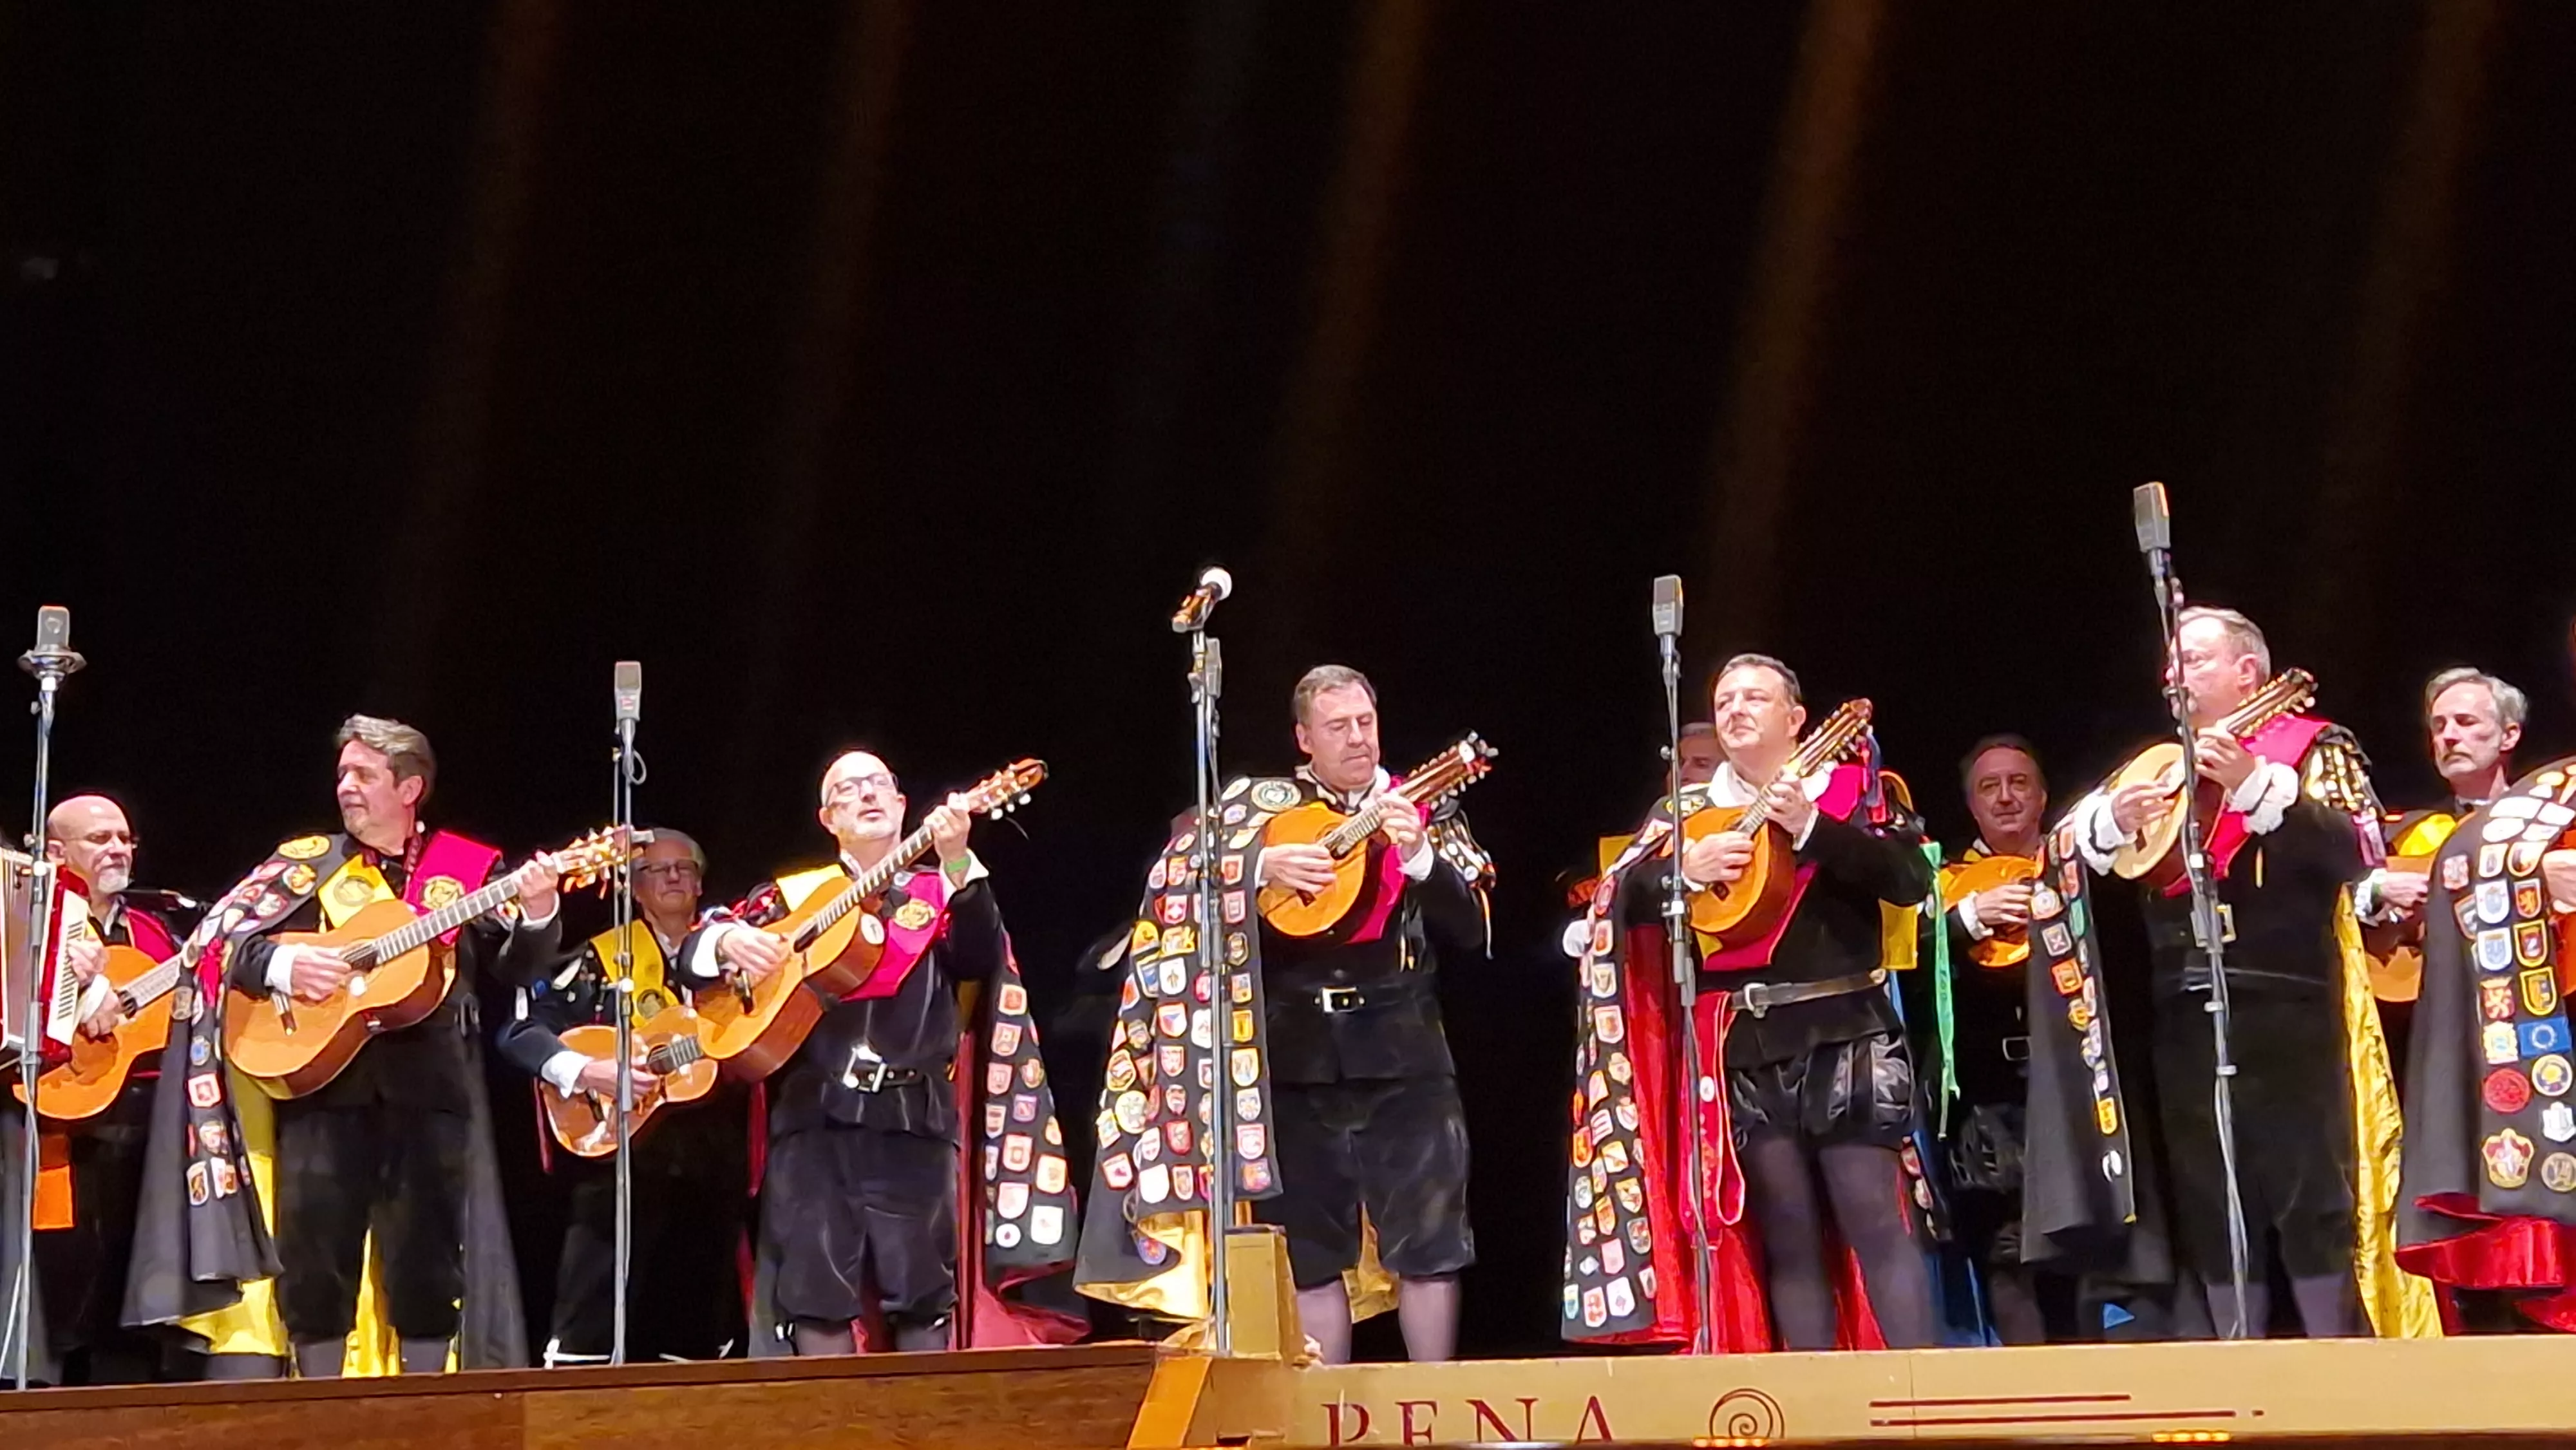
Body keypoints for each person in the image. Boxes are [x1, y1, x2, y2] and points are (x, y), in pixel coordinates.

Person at [1074, 666, 1493, 1364]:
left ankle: (1438, 1403)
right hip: (1290, 1055)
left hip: (1404, 1050)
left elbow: (1473, 931)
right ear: (1304, 738)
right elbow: (1173, 882)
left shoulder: (1421, 805)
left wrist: (1419, 854)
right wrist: (1255, 867)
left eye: (1366, 722)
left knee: (1429, 1242)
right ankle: (1321, 1408)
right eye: (1338, 726)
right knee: (1310, 1252)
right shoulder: (1259, 812)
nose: (1357, 738)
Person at [2062, 607, 2427, 1337]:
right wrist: (2109, 821)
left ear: (2247, 672)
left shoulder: (2312, 746)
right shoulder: (2155, 767)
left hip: (2286, 996)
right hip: (2180, 1000)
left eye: (2193, 660)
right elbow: (2061, 859)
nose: (2172, 677)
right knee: (2210, 1194)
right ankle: (2236, 1368)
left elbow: (2355, 851)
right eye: (2170, 663)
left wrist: (2255, 783)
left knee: (2306, 1190)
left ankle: (2336, 1367)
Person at [1563, 653, 1938, 1351]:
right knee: (1788, 1237)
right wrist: (1682, 872)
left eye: (1754, 698)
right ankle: (1810, 1402)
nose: (1736, 709)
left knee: (1875, 1222)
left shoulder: (1855, 789)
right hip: (1745, 1044)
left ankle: (1919, 1396)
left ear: (1795, 719)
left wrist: (1813, 827)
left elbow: (1911, 878)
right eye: (1725, 699)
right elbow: (1615, 896)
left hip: (1847, 1030)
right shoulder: (1685, 814)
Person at [686, 751, 1075, 1356]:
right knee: (815, 1296)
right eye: (848, 789)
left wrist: (958, 861)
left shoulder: (940, 892)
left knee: (923, 1295)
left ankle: (923, 1416)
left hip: (914, 1120)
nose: (866, 794)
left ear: (900, 804)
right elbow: (693, 958)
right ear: (828, 818)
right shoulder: (791, 898)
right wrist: (726, 940)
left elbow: (978, 958)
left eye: (878, 784)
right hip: (815, 1118)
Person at [220, 715, 550, 1375]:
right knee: (314, 1253)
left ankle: (422, 1404)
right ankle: (317, 1403)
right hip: (321, 1082)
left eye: (363, 775)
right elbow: (225, 940)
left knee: (427, 1258)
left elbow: (515, 969)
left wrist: (539, 913)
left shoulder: (468, 868)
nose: (345, 786)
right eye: (342, 773)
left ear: (409, 788)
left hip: (429, 1087)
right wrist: (285, 965)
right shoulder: (305, 862)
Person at [500, 827, 748, 1365]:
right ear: (634, 888)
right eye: (657, 869)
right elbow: (521, 1033)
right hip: (620, 1155)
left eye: (685, 868)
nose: (674, 877)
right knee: (591, 1320)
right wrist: (589, 1070)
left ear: (701, 884)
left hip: (713, 1159)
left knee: (695, 1327)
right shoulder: (604, 957)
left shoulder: (739, 950)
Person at [14, 796, 185, 1383]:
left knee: (138, 1284)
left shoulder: (157, 929)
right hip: (64, 1121)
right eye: (99, 839)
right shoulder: (27, 923)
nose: (117, 849)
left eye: (124, 838)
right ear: (56, 852)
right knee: (66, 1288)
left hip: (149, 1126)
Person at [1927, 737, 2074, 1344]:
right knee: (2006, 1253)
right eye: (1990, 787)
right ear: (1971, 805)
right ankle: (2030, 1394)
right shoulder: (1941, 884)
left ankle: (2100, 1392)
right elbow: (1908, 964)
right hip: (1988, 1097)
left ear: (2042, 796)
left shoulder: (2080, 868)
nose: (2007, 797)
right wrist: (1969, 918)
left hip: (2076, 1085)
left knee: (2084, 1245)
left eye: (2020, 783)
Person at [2358, 668, 2529, 1079]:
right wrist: (2377, 891)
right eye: (2439, 726)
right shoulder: (2404, 833)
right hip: (2438, 1027)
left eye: (2465, 722)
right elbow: (2341, 897)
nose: (2449, 736)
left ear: (2509, 736)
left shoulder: (2552, 826)